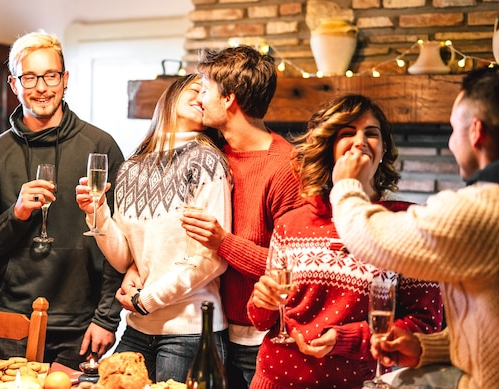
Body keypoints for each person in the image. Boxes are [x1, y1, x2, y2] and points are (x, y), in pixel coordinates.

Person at [247, 94, 444, 388]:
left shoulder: (408, 223)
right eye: (347, 133)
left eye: (371, 133)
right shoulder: (291, 224)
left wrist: (348, 339)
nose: (360, 140)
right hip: (275, 378)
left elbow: (424, 324)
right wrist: (261, 301)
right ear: (330, 148)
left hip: (359, 383)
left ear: (384, 149)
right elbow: (266, 319)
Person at [330, 68, 499, 389]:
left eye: (453, 129)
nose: (450, 142)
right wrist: (426, 347)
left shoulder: (482, 208)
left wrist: (347, 185)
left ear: (476, 132)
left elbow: (372, 239)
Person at [0, 30, 125, 368]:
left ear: (65, 79)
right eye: (29, 77)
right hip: (13, 324)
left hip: (82, 325)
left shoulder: (100, 147)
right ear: (14, 84)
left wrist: (107, 318)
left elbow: (122, 244)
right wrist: (17, 214)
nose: (41, 87)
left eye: (50, 75)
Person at [76, 73, 232, 382]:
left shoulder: (208, 160)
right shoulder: (133, 166)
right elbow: (123, 258)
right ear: (172, 95)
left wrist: (148, 299)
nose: (201, 97)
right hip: (138, 326)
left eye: (207, 93)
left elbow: (213, 258)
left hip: (190, 329)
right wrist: (98, 214)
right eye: (195, 88)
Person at [181, 46, 301, 387]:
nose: (199, 99)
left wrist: (224, 242)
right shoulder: (210, 155)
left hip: (259, 338)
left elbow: (293, 267)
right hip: (211, 328)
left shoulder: (285, 167)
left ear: (229, 98)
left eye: (205, 89)